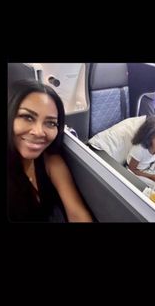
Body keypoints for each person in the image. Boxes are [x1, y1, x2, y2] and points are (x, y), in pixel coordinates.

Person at [8, 79, 93, 222]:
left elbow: (77, 214)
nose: (39, 132)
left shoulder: (50, 160)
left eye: (50, 123)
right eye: (27, 117)